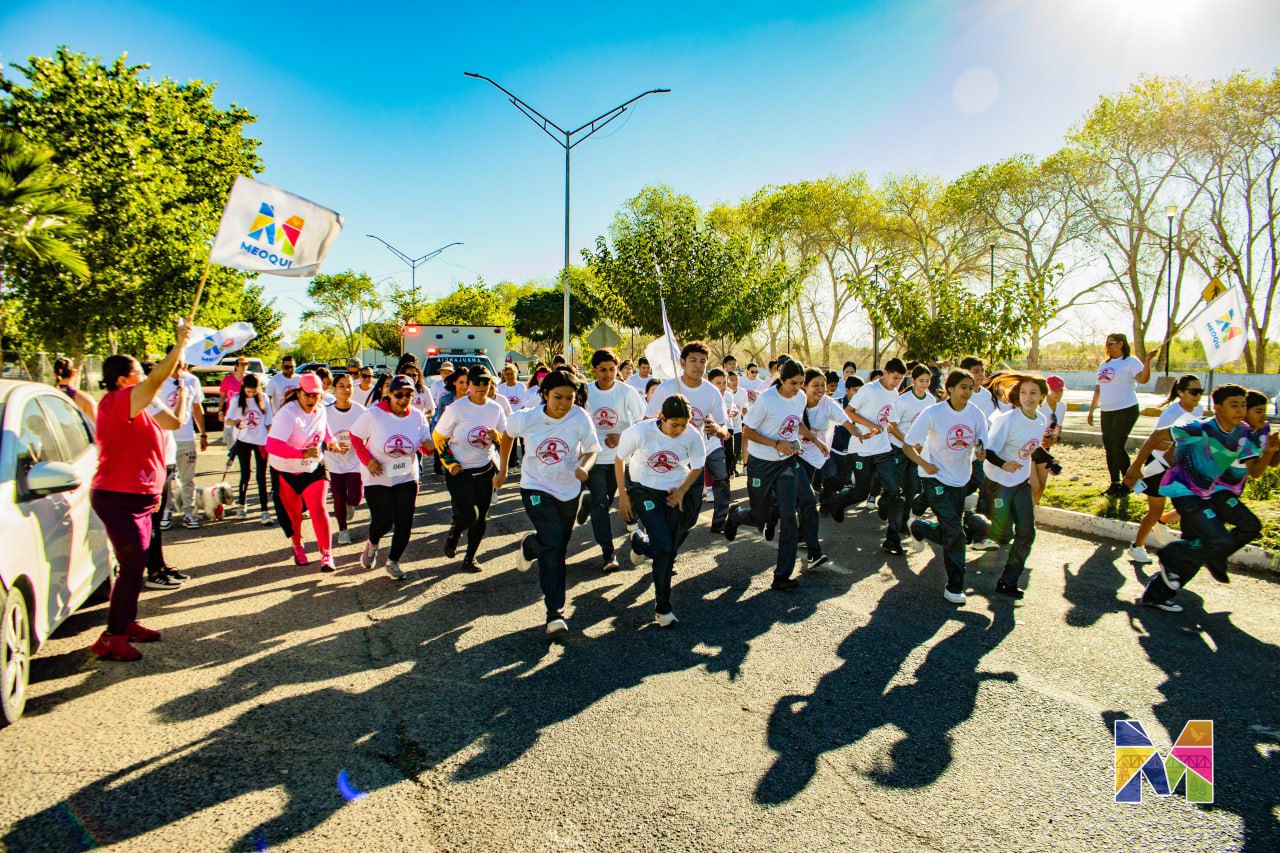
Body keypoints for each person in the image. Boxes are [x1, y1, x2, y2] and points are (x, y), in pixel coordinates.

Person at [89, 318, 193, 661]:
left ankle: (126, 622)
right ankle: (111, 636)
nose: (145, 376)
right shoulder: (117, 400)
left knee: (136, 563)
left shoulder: (143, 405)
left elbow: (174, 423)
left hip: (143, 497)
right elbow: (155, 380)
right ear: (123, 380)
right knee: (132, 563)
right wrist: (179, 344)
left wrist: (183, 396)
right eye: (138, 373)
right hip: (119, 497)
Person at [1132, 384, 1277, 613]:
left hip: (1207, 494)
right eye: (1236, 405)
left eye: (1244, 406)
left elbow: (1256, 470)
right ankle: (1173, 553)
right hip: (1194, 492)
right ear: (1218, 408)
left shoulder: (1244, 435)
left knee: (1205, 545)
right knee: (1221, 539)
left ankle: (1157, 594)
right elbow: (1161, 438)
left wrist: (1269, 451)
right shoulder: (1203, 427)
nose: (1242, 410)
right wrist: (1135, 469)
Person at [500, 370, 601, 636]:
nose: (564, 403)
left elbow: (592, 449)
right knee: (553, 544)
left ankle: (532, 545)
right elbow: (507, 434)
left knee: (556, 548)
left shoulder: (580, 417)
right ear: (545, 395)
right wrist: (502, 471)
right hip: (535, 485)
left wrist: (585, 468)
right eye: (558, 397)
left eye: (570, 398)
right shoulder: (527, 417)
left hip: (568, 490)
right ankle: (554, 612)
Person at [723, 360, 828, 588]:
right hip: (762, 463)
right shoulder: (767, 400)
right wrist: (776, 443)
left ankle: (782, 576)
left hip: (787, 463)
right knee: (760, 517)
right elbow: (748, 431)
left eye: (801, 383)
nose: (798, 388)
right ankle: (736, 515)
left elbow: (796, 423)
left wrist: (814, 440)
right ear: (781, 379)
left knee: (789, 516)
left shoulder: (800, 397)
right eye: (793, 383)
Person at [902, 369, 991, 604]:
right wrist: (924, 464)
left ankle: (919, 527)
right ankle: (954, 587)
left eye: (971, 388)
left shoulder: (976, 414)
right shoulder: (933, 412)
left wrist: (982, 453)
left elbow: (982, 445)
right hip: (934, 478)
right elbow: (908, 445)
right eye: (963, 387)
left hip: (960, 478)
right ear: (950, 388)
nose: (967, 392)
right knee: (954, 533)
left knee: (951, 532)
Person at [617, 395, 706, 626]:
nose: (678, 430)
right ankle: (663, 607)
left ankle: (639, 542)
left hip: (672, 492)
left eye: (683, 425)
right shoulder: (641, 432)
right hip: (643, 489)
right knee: (665, 548)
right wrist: (624, 496)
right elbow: (619, 459)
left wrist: (682, 490)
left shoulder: (692, 435)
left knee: (666, 547)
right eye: (673, 424)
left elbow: (697, 465)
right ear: (661, 417)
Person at [351, 374, 433, 579]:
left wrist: (429, 448)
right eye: (399, 394)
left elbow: (424, 445)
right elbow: (355, 437)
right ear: (390, 394)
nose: (404, 399)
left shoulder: (417, 416)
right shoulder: (374, 414)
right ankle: (373, 543)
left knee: (405, 522)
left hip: (406, 475)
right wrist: (368, 460)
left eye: (409, 395)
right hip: (377, 476)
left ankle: (393, 562)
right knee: (384, 521)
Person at [645, 342, 731, 531]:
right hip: (666, 458)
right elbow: (646, 421)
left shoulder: (712, 393)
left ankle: (664, 548)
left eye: (703, 361)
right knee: (668, 511)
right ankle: (662, 552)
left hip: (694, 460)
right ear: (682, 363)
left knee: (690, 515)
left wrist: (717, 429)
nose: (698, 365)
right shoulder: (667, 388)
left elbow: (726, 431)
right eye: (693, 360)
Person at [979, 374, 1049, 599]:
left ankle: (1008, 582)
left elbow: (1033, 447)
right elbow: (989, 451)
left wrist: (1051, 460)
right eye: (1024, 393)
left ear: (1041, 397)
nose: (1028, 398)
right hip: (997, 482)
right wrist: (1004, 463)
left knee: (1027, 533)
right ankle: (972, 525)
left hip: (1019, 483)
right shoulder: (1007, 420)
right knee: (1002, 533)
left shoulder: (1041, 420)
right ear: (1017, 396)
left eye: (1033, 393)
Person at [1123, 375, 1205, 563]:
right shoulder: (1171, 414)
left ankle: (1165, 522)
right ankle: (1137, 547)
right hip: (1160, 467)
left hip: (1183, 466)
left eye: (1200, 392)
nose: (1198, 396)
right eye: (1193, 392)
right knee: (1155, 510)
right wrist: (1136, 467)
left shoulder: (1198, 409)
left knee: (1197, 502)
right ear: (1181, 393)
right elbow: (1156, 441)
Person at [434, 366, 508, 572]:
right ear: (469, 385)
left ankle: (470, 558)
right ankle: (455, 533)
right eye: (477, 383)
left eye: (486, 383)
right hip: (460, 471)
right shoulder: (457, 408)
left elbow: (506, 439)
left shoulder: (495, 409)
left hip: (484, 470)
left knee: (481, 518)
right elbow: (439, 436)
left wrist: (497, 437)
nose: (481, 387)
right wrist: (449, 463)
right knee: (468, 515)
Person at [578, 349, 646, 572]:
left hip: (623, 458)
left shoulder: (627, 392)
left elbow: (641, 422)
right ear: (594, 370)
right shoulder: (585, 391)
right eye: (602, 370)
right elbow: (577, 421)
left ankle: (589, 502)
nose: (608, 374)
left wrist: (621, 436)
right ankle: (608, 553)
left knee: (623, 502)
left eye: (612, 369)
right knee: (600, 505)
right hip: (596, 457)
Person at [830, 358, 905, 555]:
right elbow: (848, 412)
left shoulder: (895, 393)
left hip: (883, 449)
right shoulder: (869, 390)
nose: (896, 382)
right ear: (886, 373)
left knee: (895, 492)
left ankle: (892, 539)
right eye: (894, 377)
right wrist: (870, 425)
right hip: (861, 446)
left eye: (900, 379)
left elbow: (888, 421)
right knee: (862, 491)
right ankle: (838, 502)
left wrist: (904, 440)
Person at [266, 372, 341, 570]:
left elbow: (324, 429)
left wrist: (331, 442)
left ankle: (327, 554)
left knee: (318, 508)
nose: (311, 399)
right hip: (286, 471)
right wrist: (301, 453)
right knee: (294, 514)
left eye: (316, 395)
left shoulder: (320, 409)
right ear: (298, 393)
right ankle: (297, 545)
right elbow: (271, 446)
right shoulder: (287, 414)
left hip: (314, 467)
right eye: (307, 395)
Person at [1087, 333, 1156, 496]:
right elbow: (1098, 389)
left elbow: (1143, 379)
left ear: (1120, 343)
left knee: (1117, 446)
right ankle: (1114, 484)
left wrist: (1147, 362)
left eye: (1111, 343)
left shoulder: (1130, 361)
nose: (1108, 346)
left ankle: (1130, 484)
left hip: (1126, 409)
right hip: (1107, 411)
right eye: (1107, 344)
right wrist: (1091, 411)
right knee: (1110, 448)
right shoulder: (1104, 365)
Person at [143, 360, 186, 591]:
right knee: (152, 521)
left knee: (157, 522)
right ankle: (154, 571)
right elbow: (175, 422)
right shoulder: (146, 398)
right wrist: (182, 400)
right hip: (156, 464)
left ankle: (160, 565)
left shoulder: (154, 397)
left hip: (166, 461)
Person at [797, 368, 864, 511]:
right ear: (804, 385)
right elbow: (797, 426)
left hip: (816, 456)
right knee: (805, 498)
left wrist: (859, 433)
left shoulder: (828, 403)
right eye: (816, 385)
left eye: (823, 384)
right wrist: (815, 440)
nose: (821, 389)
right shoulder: (796, 401)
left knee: (805, 498)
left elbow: (846, 422)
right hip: (795, 454)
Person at [159, 353, 207, 530]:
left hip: (186, 437)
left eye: (182, 363)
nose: (180, 367)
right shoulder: (159, 381)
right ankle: (166, 511)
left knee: (188, 478)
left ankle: (189, 513)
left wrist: (203, 434)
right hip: (165, 439)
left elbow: (197, 407)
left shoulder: (192, 381)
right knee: (166, 480)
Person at [886, 365, 936, 534]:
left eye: (927, 381)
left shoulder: (931, 401)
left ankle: (904, 523)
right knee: (896, 489)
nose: (924, 384)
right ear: (913, 381)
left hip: (917, 451)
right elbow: (891, 427)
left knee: (912, 487)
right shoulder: (903, 400)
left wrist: (922, 445)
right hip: (900, 448)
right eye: (921, 381)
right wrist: (908, 442)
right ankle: (886, 511)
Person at [225, 372, 273, 523]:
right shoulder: (237, 399)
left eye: (254, 391)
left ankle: (264, 511)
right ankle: (242, 505)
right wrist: (236, 421)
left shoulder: (264, 398)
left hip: (261, 441)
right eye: (248, 391)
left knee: (261, 476)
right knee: (245, 473)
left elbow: (269, 421)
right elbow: (227, 420)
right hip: (243, 439)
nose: (251, 394)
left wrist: (271, 440)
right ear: (243, 387)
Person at [326, 373, 366, 545]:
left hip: (355, 461)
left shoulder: (360, 411)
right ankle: (343, 530)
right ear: (334, 389)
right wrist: (332, 446)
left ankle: (351, 505)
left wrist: (357, 444)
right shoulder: (326, 411)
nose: (346, 389)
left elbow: (367, 434)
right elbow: (321, 435)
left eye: (349, 386)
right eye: (341, 386)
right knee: (338, 497)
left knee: (356, 496)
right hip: (335, 462)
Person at [1031, 375, 1068, 505]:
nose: (1059, 393)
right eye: (1055, 390)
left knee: (1041, 486)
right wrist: (1042, 438)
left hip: (1046, 449)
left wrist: (1056, 437)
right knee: (1033, 486)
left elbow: (1059, 426)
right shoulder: (1039, 406)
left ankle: (1030, 516)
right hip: (1032, 449)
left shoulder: (1062, 406)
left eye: (1061, 390)